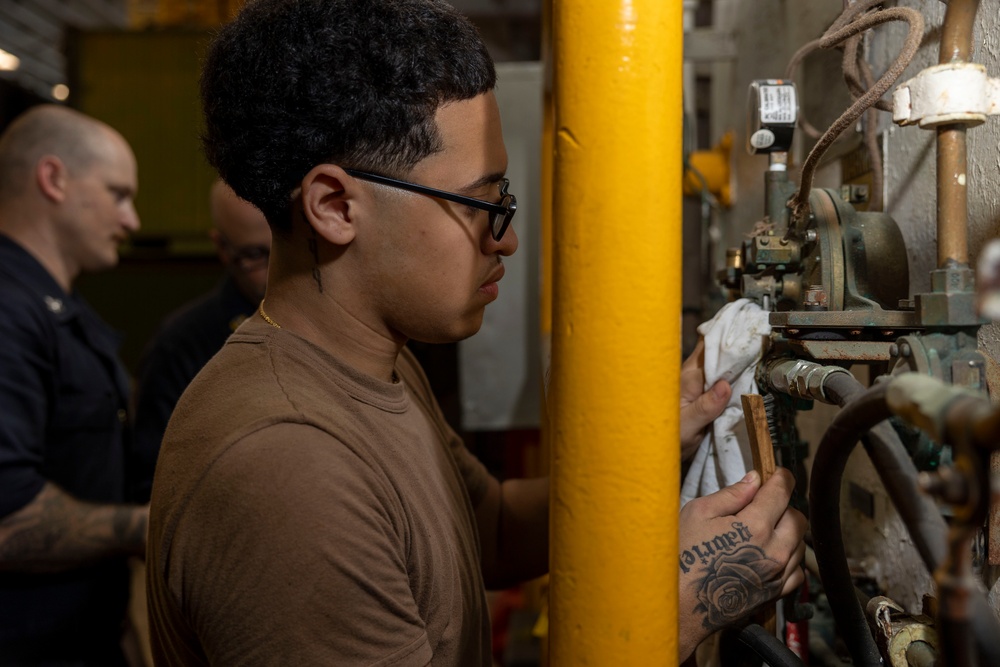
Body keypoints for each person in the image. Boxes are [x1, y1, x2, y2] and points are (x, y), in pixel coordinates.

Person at [145, 0, 806, 664]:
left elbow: (486, 526)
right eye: (480, 203)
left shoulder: (376, 361)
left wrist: (647, 453)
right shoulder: (286, 469)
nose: (508, 238)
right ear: (335, 206)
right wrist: (664, 614)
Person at [0, 105, 147, 665]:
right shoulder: (10, 312)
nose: (133, 221)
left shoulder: (61, 310)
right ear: (53, 179)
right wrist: (152, 527)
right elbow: (8, 520)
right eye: (118, 194)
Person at [131, 179, 271, 502]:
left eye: (285, 245)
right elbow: (152, 486)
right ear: (222, 248)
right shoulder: (182, 344)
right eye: (255, 255)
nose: (277, 267)